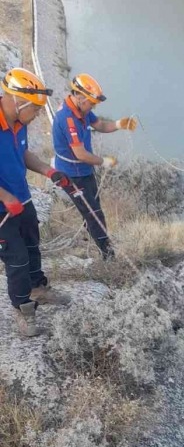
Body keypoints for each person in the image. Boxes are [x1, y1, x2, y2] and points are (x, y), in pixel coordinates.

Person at [0, 68, 74, 338]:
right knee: (16, 259)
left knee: (32, 246)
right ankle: (23, 310)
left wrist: (48, 170)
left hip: (22, 199)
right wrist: (6, 198)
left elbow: (22, 153)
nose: (38, 116)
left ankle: (38, 289)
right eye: (37, 111)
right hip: (3, 209)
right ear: (20, 102)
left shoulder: (18, 123)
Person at [52, 73, 138, 259]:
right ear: (79, 96)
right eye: (92, 102)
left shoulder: (82, 110)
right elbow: (80, 154)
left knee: (93, 206)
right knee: (94, 214)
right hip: (71, 174)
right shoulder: (68, 119)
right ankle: (107, 255)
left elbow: (99, 125)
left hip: (84, 171)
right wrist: (103, 161)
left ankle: (94, 236)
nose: (94, 106)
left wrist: (118, 124)